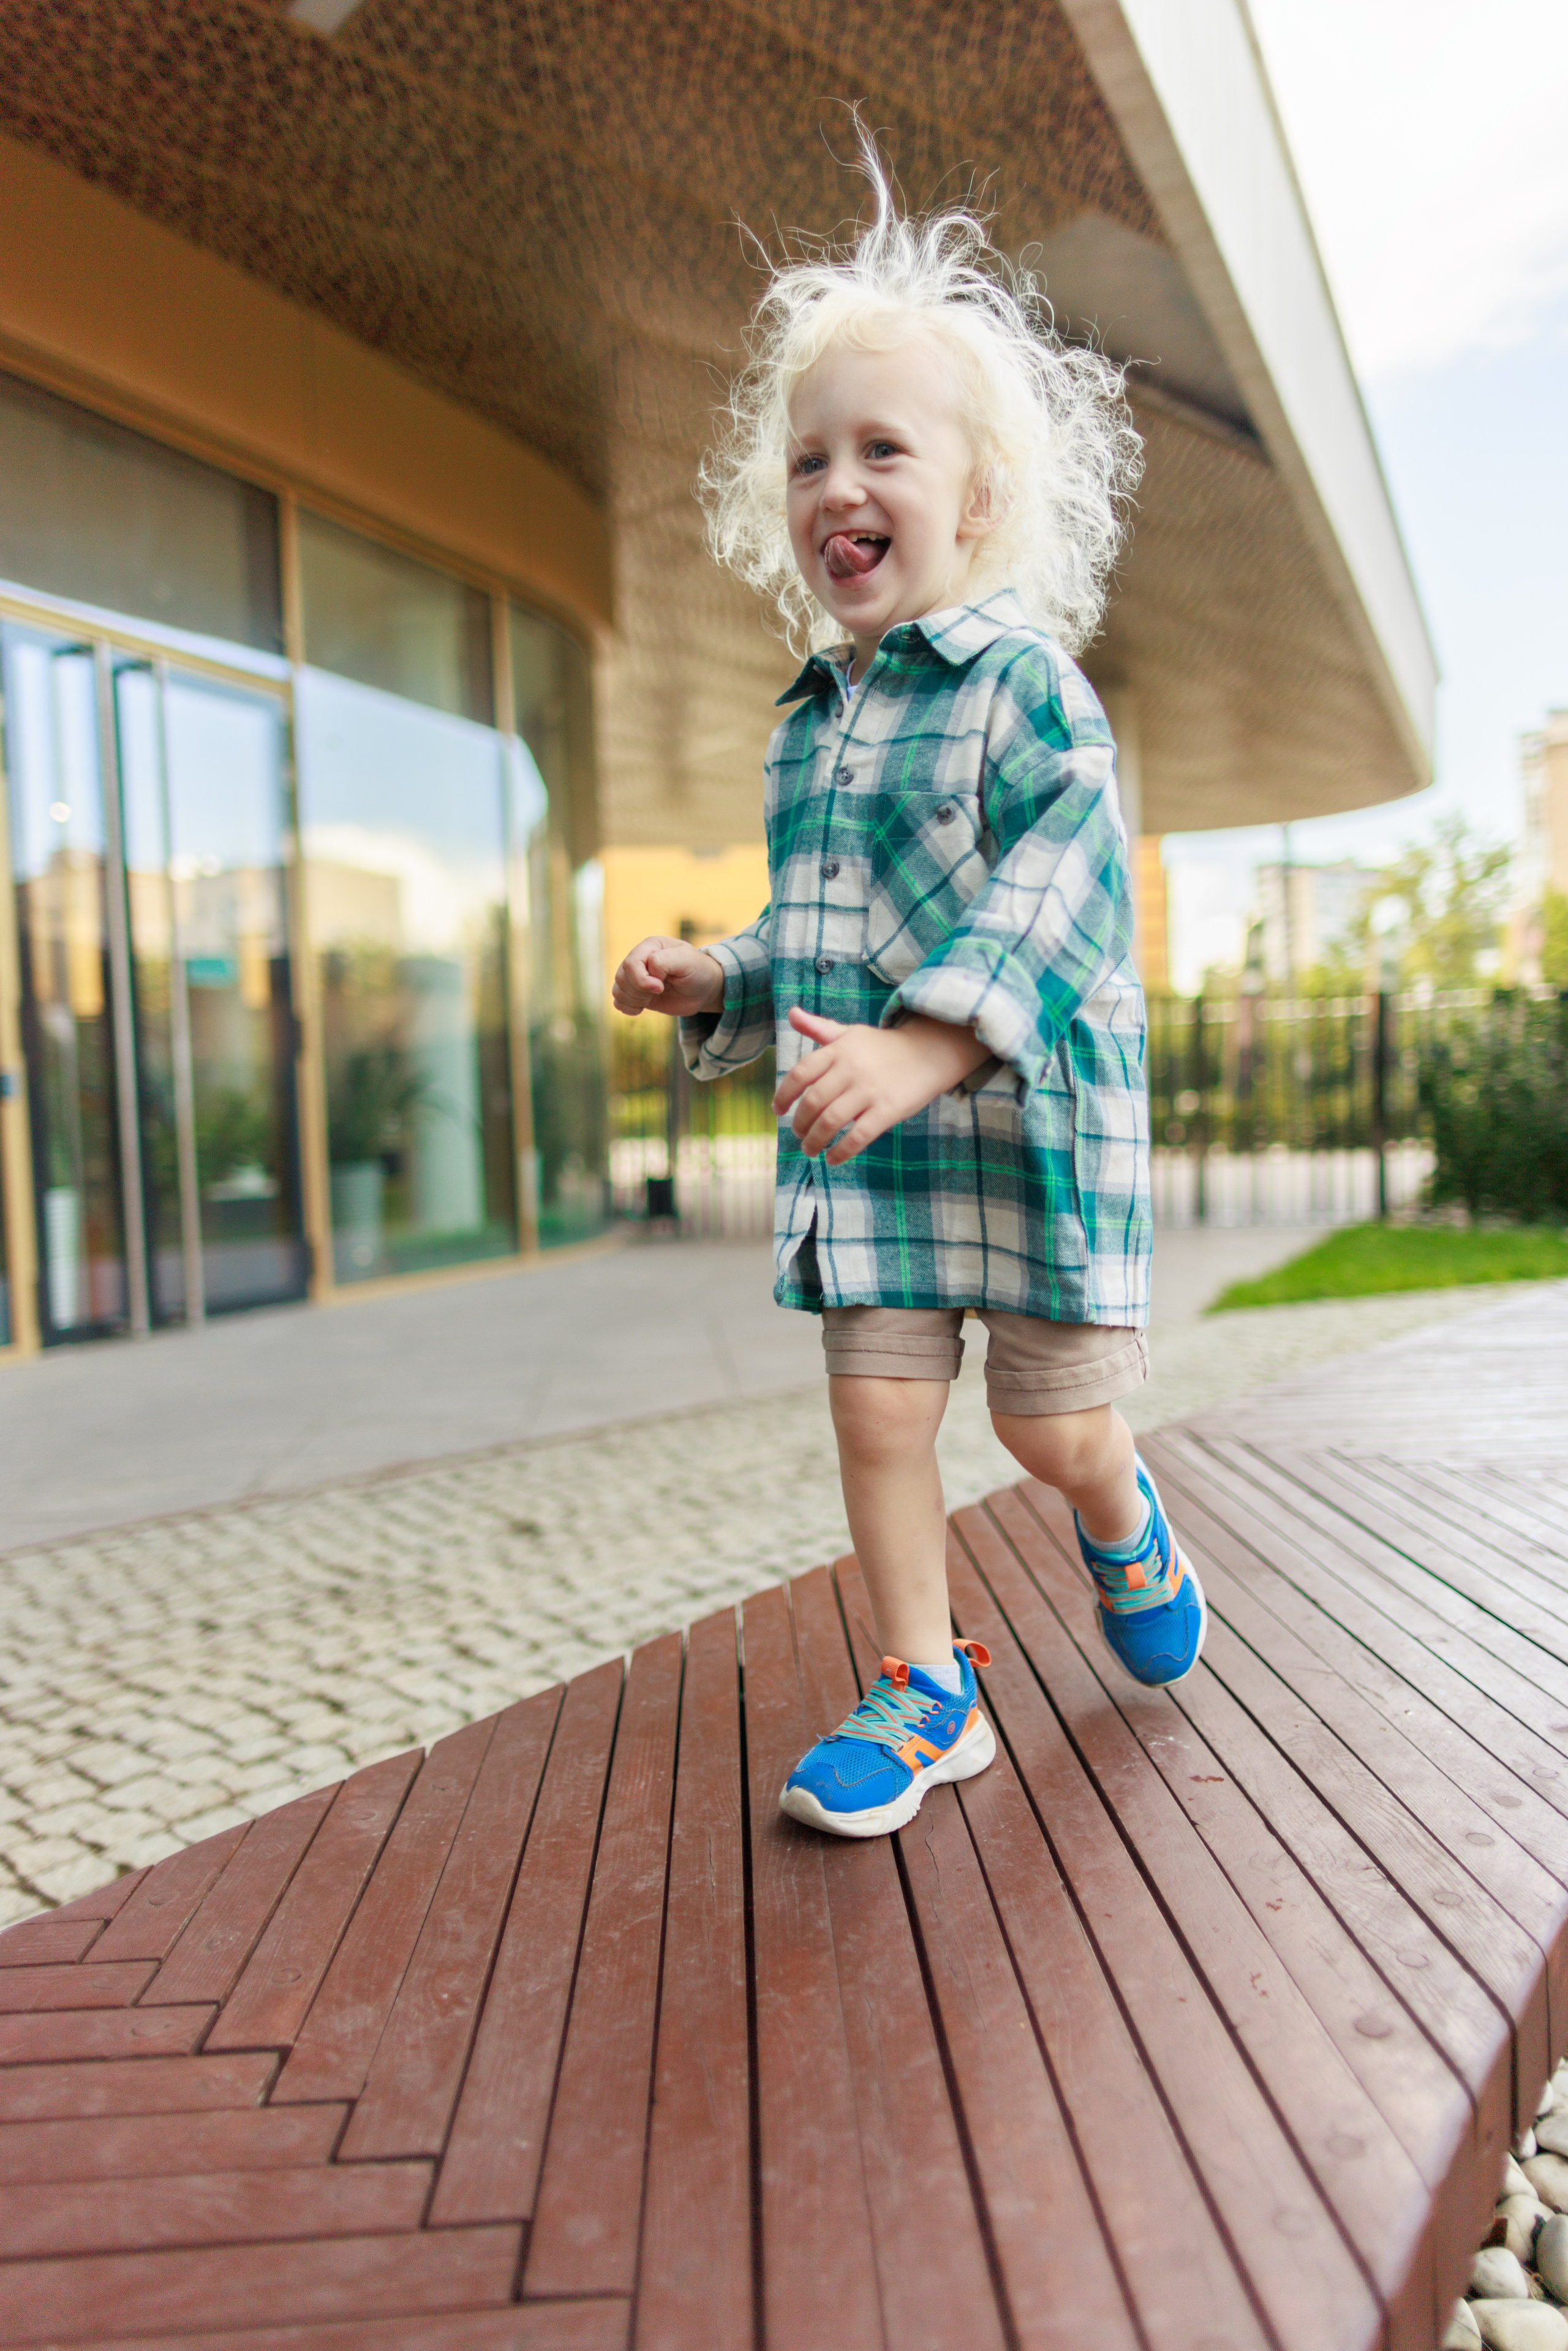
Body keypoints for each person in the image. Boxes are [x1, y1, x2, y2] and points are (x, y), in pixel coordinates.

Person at [612, 143, 1205, 1839]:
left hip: (1018, 1135)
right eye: (809, 458)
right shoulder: (814, 717)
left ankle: (1126, 1521)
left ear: (979, 501)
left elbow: (1064, 881)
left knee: (1050, 1435)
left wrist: (934, 1040)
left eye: (882, 448)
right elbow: (825, 926)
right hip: (872, 1144)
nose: (836, 484)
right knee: (878, 1402)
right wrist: (719, 973)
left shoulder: (1030, 691)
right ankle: (925, 1687)